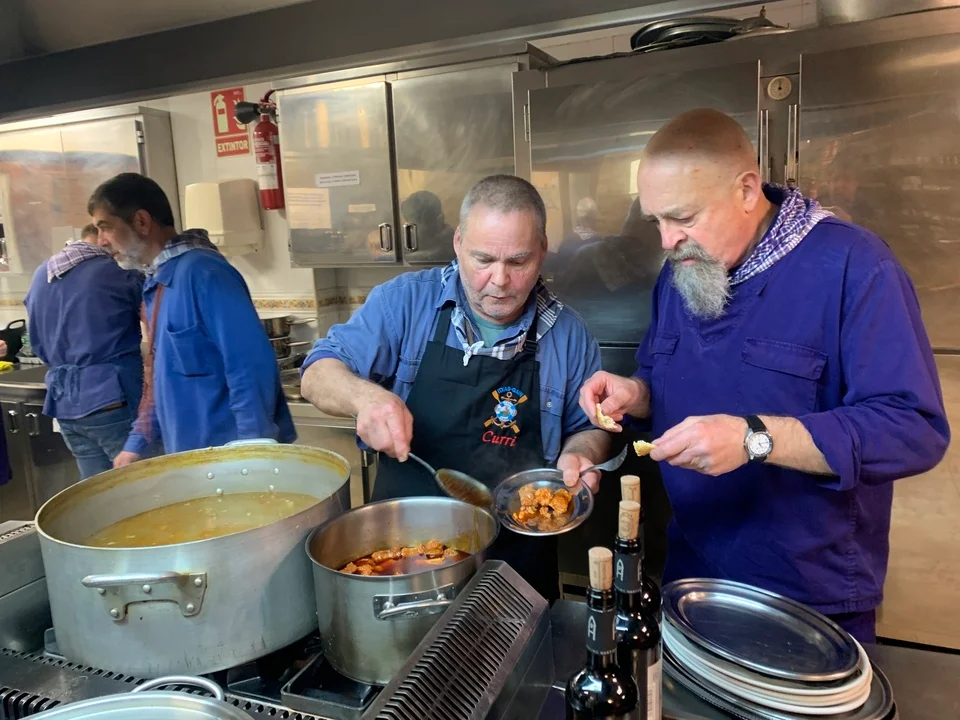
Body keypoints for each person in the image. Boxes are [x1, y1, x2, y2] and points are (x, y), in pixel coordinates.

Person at [579, 109, 950, 643]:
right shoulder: (684, 270)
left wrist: (755, 438)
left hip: (806, 595)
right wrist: (634, 394)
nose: (667, 240)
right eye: (655, 220)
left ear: (747, 190)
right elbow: (664, 378)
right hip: (691, 572)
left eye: (683, 217)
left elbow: (912, 429)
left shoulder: (855, 267)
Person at [300, 174, 608, 601]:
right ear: (458, 243)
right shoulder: (404, 303)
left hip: (518, 566)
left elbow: (590, 427)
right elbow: (316, 374)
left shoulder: (569, 335)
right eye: (483, 259)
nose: (499, 280)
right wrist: (365, 397)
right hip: (404, 558)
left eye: (518, 262)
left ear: (542, 249)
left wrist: (582, 454)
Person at [87, 173, 296, 465]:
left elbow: (249, 365)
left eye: (105, 227)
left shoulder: (204, 273)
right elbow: (158, 376)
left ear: (142, 222)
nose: (101, 242)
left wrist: (253, 448)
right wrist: (136, 443)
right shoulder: (158, 283)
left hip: (232, 462)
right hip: (193, 462)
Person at [25, 223, 143, 479]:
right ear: (103, 239)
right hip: (110, 397)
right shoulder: (111, 272)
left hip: (64, 402)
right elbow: (155, 315)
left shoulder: (42, 273)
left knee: (96, 491)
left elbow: (36, 337)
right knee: (141, 487)